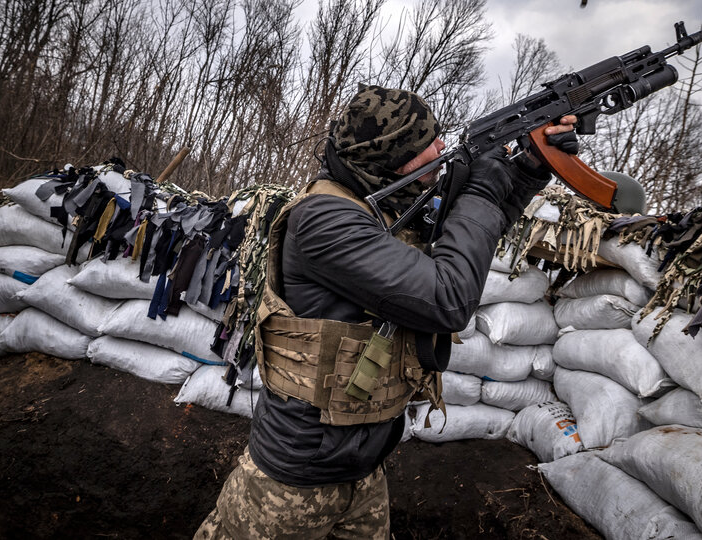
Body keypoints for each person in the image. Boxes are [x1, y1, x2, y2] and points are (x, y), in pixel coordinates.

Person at [195, 85, 577, 539]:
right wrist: (484, 186)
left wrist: (527, 169)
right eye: (427, 144)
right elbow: (448, 297)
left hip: (364, 473)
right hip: (291, 484)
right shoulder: (324, 219)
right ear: (389, 157)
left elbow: (471, 237)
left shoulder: (387, 208)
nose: (441, 149)